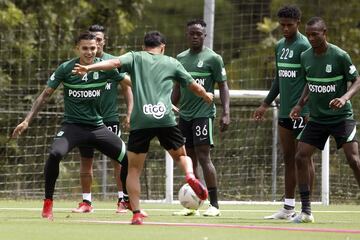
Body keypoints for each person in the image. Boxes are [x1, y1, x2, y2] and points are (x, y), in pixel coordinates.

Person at [72, 31, 213, 225]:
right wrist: (206, 96)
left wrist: (89, 68)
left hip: (141, 121)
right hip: (164, 118)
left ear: (143, 45)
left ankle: (136, 213)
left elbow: (113, 64)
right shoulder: (171, 62)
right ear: (162, 47)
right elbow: (192, 85)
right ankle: (189, 175)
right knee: (182, 156)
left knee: (134, 170)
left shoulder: (135, 57)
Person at [11, 31, 131, 220]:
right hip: (73, 127)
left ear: (98, 47)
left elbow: (130, 83)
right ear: (77, 48)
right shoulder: (66, 68)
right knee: (54, 154)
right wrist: (27, 120)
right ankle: (48, 202)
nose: (89, 52)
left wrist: (152, 85)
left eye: (93, 48)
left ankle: (128, 200)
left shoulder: (105, 69)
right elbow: (45, 95)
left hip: (97, 128)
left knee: (128, 159)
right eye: (85, 48)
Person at [289, 17, 360, 223]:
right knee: (301, 156)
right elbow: (310, 83)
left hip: (341, 118)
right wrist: (300, 104)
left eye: (315, 34)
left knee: (354, 159)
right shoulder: (305, 57)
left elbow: (357, 80)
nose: (311, 38)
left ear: (324, 32)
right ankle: (306, 211)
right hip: (318, 118)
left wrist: (344, 97)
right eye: (308, 34)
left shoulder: (340, 55)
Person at [253, 5, 314, 220]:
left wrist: (304, 106)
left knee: (303, 159)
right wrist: (265, 104)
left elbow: (310, 79)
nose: (285, 29)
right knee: (288, 158)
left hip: (302, 112)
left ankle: (307, 209)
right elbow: (279, 79)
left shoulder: (305, 45)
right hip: (284, 112)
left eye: (290, 25)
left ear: (298, 23)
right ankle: (288, 208)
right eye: (283, 25)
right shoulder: (279, 46)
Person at [72, 24, 133, 214]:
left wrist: (130, 112)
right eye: (93, 40)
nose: (96, 44)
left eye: (99, 40)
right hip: (86, 122)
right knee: (86, 161)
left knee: (119, 161)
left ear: (103, 41)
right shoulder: (80, 64)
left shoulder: (112, 63)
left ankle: (122, 200)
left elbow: (127, 87)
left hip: (109, 119)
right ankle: (86, 202)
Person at [171, 19, 230, 217]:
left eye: (199, 34)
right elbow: (177, 87)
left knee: (204, 156)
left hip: (203, 114)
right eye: (191, 34)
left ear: (205, 36)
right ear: (187, 35)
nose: (195, 36)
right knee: (189, 159)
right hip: (185, 115)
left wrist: (226, 112)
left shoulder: (213, 58)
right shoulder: (180, 58)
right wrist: (171, 107)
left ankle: (214, 205)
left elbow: (222, 86)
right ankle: (195, 204)